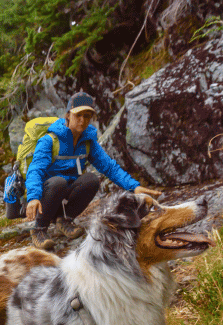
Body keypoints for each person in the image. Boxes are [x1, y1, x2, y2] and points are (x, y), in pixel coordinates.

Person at [24, 91, 161, 249]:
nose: (82, 121)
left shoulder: (88, 142)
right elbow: (35, 170)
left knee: (91, 180)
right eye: (78, 115)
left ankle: (64, 220)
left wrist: (134, 186)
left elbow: (109, 167)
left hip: (65, 193)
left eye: (87, 116)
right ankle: (39, 229)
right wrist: (33, 197)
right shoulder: (49, 140)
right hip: (46, 195)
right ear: (68, 115)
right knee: (58, 182)